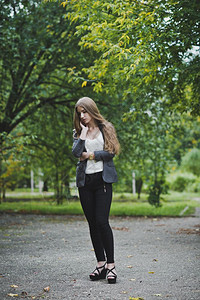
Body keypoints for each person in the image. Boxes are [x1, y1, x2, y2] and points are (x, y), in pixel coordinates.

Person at [72, 97, 120, 284]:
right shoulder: (78, 131)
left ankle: (111, 266)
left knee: (102, 221)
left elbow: (111, 152)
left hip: (103, 181)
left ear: (92, 110)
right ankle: (100, 264)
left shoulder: (106, 128)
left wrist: (90, 155)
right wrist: (83, 134)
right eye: (79, 113)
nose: (82, 116)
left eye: (85, 112)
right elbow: (76, 153)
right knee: (92, 223)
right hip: (85, 182)